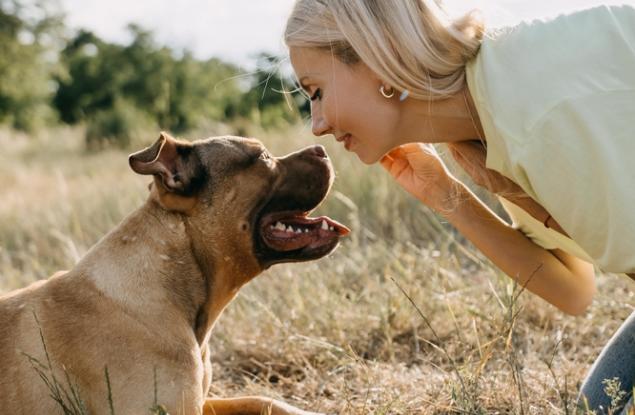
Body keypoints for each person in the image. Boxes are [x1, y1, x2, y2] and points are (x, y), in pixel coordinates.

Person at [284, 0, 635, 413]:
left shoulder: (530, 110)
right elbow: (574, 289)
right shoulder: (482, 125)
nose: (317, 123)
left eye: (317, 92)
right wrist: (445, 195)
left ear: (376, 58)